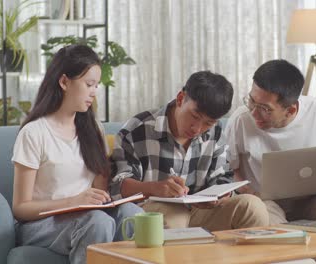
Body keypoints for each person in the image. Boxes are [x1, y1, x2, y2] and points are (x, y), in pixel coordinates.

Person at [11, 45, 143, 264]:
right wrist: (73, 202)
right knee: (98, 222)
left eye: (96, 85)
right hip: (42, 224)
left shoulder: (93, 129)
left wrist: (101, 199)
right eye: (89, 84)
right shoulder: (34, 133)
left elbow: (99, 189)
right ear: (64, 82)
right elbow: (21, 207)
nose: (94, 92)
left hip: (87, 217)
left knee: (132, 213)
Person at [110, 71, 269, 231]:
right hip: (151, 210)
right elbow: (117, 186)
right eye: (194, 116)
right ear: (180, 98)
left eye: (209, 123)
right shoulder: (137, 129)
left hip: (201, 211)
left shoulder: (216, 131)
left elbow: (222, 177)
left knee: (253, 207)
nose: (197, 129)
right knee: (175, 216)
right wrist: (155, 188)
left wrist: (218, 195)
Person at [224, 59, 316, 225]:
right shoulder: (241, 120)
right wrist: (249, 192)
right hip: (266, 201)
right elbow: (228, 168)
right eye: (251, 101)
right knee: (270, 222)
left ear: (290, 110)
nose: (254, 113)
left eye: (265, 109)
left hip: (314, 198)